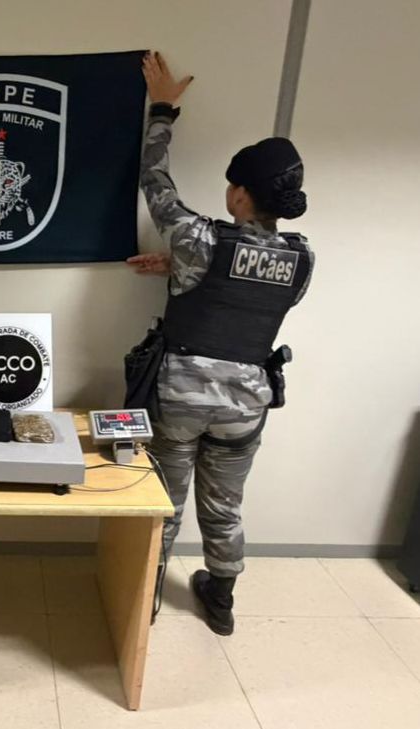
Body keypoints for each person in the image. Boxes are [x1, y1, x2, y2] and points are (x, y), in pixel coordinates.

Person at [128, 52, 314, 635]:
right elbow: (250, 296)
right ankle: (222, 596)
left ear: (239, 195)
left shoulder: (199, 238)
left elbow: (154, 180)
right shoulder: (302, 258)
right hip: (246, 403)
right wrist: (178, 269)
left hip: (181, 397)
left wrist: (163, 109)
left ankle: (144, 597)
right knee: (225, 503)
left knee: (163, 499)